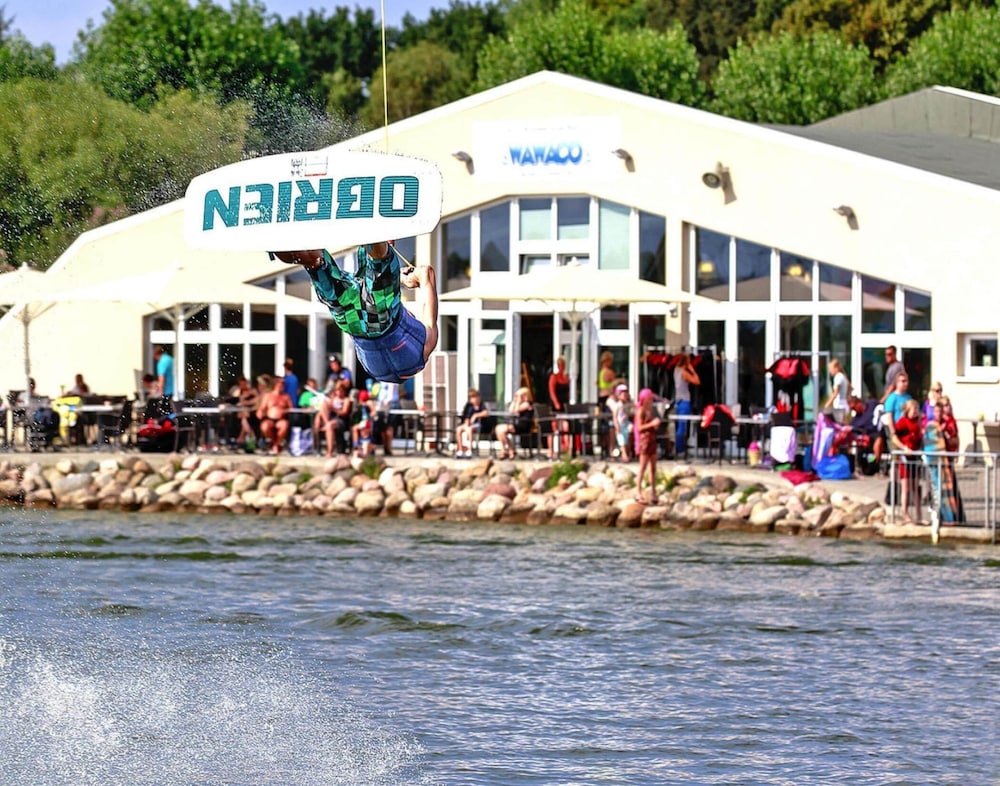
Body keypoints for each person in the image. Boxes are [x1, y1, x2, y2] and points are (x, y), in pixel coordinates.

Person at [271, 242, 439, 383]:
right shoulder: (397, 362)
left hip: (375, 319)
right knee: (314, 264)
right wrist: (398, 279)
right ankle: (275, 241)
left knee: (382, 260)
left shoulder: (425, 344)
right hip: (351, 322)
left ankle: (377, 234)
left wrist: (405, 279)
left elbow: (426, 272)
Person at [923, 401, 965, 524]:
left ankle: (955, 517)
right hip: (936, 463)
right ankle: (941, 517)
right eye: (936, 411)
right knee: (937, 491)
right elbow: (930, 444)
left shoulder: (948, 424)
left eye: (940, 411)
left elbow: (954, 440)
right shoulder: (931, 425)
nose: (939, 414)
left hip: (947, 462)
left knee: (951, 491)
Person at [891, 398, 923, 524]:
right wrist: (904, 448)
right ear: (907, 410)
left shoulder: (918, 422)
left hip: (915, 457)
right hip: (905, 458)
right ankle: (905, 514)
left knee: (916, 487)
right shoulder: (902, 422)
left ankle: (919, 516)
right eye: (913, 409)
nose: (915, 412)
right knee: (906, 487)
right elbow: (894, 438)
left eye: (917, 409)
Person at [634, 388, 661, 504]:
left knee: (653, 468)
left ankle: (653, 493)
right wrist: (651, 424)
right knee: (643, 467)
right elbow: (639, 427)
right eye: (649, 398)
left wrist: (655, 426)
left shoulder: (650, 410)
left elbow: (650, 425)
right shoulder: (640, 411)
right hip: (644, 441)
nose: (651, 400)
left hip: (652, 440)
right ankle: (638, 492)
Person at [495, 387, 534, 460]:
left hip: (524, 425)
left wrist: (518, 400)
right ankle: (506, 449)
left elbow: (516, 410)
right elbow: (510, 410)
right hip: (517, 425)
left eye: (522, 395)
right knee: (498, 429)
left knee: (502, 430)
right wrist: (514, 400)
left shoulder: (527, 404)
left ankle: (508, 450)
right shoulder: (520, 404)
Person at [673, 351, 700, 457]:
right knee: (682, 426)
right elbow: (697, 381)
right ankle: (680, 449)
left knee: (679, 425)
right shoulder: (684, 373)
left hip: (678, 400)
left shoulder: (676, 370)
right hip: (684, 400)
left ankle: (678, 447)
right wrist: (692, 369)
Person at [256, 376, 292, 454]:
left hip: (281, 418)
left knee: (284, 425)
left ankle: (275, 445)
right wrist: (260, 412)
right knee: (265, 427)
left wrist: (284, 411)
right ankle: (275, 443)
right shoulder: (268, 395)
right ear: (276, 384)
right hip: (269, 418)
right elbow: (262, 407)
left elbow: (291, 409)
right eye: (280, 383)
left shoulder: (286, 397)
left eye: (283, 384)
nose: (282, 385)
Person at [454, 388, 489, 458]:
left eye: (475, 397)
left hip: (479, 425)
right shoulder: (469, 406)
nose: (473, 399)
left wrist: (476, 415)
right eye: (471, 397)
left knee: (469, 429)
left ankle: (470, 450)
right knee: (458, 429)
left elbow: (486, 413)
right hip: (468, 424)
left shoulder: (481, 405)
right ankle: (460, 450)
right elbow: (466, 417)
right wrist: (467, 422)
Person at [547, 357, 571, 459]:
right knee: (553, 427)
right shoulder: (554, 377)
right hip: (555, 405)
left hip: (564, 404)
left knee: (565, 426)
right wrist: (556, 403)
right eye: (560, 365)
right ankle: (550, 451)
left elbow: (568, 391)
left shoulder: (566, 378)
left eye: (563, 365)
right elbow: (551, 391)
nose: (562, 367)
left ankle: (567, 450)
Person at [371, 380, 400, 456]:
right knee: (382, 428)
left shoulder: (391, 379)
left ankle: (388, 448)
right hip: (382, 405)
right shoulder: (382, 379)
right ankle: (385, 447)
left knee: (389, 427)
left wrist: (386, 402)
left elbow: (391, 393)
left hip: (389, 405)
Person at [607, 384, 634, 462]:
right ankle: (624, 455)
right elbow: (615, 416)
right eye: (623, 395)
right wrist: (616, 426)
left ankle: (628, 453)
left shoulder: (628, 404)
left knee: (628, 438)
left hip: (626, 423)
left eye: (626, 394)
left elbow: (632, 411)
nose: (625, 396)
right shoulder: (617, 405)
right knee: (621, 440)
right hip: (620, 424)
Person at [234, 375, 260, 447]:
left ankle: (241, 437)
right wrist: (242, 397)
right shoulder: (238, 392)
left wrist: (247, 402)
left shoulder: (252, 391)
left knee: (244, 419)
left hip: (251, 413)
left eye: (244, 384)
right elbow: (235, 401)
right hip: (241, 413)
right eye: (241, 384)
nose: (243, 386)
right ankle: (252, 437)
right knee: (244, 416)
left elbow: (259, 399)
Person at [351, 390, 375, 458]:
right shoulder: (359, 405)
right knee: (354, 429)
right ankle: (356, 446)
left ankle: (363, 449)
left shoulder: (369, 403)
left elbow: (374, 412)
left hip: (368, 421)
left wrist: (369, 417)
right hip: (362, 422)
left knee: (360, 428)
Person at [824, 358, 850, 423]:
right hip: (843, 403)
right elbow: (850, 388)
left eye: (830, 369)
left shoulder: (838, 377)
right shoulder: (843, 376)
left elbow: (836, 392)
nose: (830, 371)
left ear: (836, 368)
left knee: (841, 425)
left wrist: (827, 404)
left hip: (839, 405)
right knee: (844, 424)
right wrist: (847, 398)